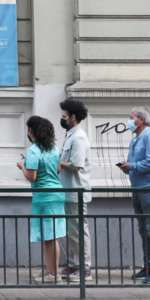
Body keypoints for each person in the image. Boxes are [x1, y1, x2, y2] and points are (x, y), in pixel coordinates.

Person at [117, 107, 150, 284]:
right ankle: (149, 267)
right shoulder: (135, 139)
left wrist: (132, 166)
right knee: (145, 231)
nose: (129, 121)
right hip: (138, 189)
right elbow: (136, 163)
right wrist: (127, 167)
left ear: (141, 120)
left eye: (131, 117)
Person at [18, 116, 67, 284]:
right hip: (57, 194)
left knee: (50, 236)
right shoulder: (52, 148)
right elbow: (58, 169)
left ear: (32, 131)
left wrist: (22, 166)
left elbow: (31, 177)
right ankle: (50, 271)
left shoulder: (33, 151)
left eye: (28, 128)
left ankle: (54, 274)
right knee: (50, 235)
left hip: (44, 196)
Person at [58, 99, 92, 282]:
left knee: (79, 230)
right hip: (68, 192)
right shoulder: (71, 134)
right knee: (71, 231)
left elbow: (76, 166)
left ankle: (85, 268)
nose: (62, 119)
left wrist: (57, 163)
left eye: (64, 116)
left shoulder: (78, 137)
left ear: (73, 117)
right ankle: (73, 264)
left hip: (76, 191)